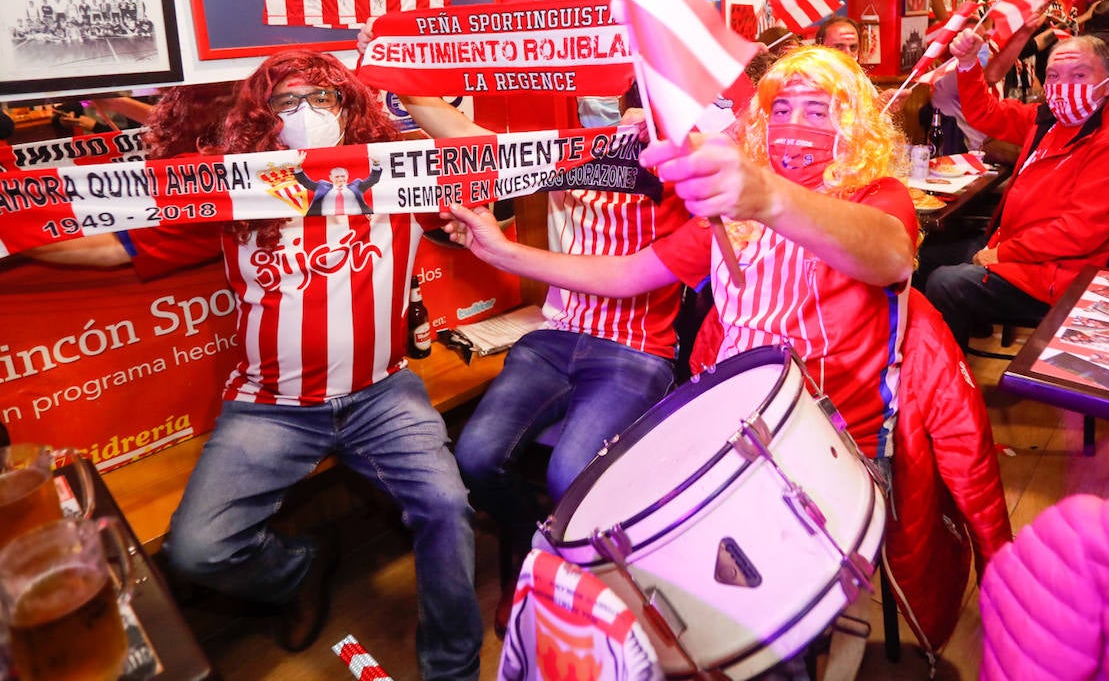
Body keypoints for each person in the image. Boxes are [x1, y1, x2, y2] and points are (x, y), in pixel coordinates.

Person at [26, 51, 488, 681]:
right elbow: (107, 244)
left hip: (382, 394)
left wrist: (415, 87)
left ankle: (453, 669)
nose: (308, 115)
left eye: (323, 99)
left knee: (446, 507)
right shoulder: (239, 192)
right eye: (287, 103)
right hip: (270, 406)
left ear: (351, 105)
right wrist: (13, 218)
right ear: (262, 117)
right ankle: (299, 569)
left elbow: (486, 161)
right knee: (197, 549)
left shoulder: (399, 179)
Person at [444, 46, 919, 464]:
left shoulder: (878, 195)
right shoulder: (732, 214)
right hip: (734, 423)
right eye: (781, 111)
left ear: (853, 122)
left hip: (833, 443)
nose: (795, 125)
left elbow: (890, 255)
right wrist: (502, 252)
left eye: (818, 112)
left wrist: (769, 197)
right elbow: (628, 274)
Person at [453, 99, 690, 635]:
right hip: (556, 339)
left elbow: (633, 275)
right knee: (475, 455)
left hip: (635, 350)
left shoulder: (681, 179)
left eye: (648, 120)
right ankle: (529, 543)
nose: (631, 128)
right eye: (627, 115)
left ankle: (572, 580)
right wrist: (398, 75)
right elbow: (469, 137)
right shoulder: (579, 159)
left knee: (569, 472)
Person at [919, 31, 1109, 349]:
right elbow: (985, 113)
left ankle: (950, 384)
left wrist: (1001, 253)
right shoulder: (1047, 119)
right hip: (1017, 244)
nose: (1064, 85)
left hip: (1058, 273)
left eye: (1079, 74)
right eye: (1054, 75)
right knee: (918, 257)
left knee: (946, 283)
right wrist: (969, 63)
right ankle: (928, 364)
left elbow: (1079, 231)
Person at [296, 162, 382, 215]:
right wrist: (298, 168)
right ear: (331, 178)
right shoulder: (322, 186)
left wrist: (376, 164)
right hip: (326, 223)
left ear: (347, 177)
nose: (340, 179)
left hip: (354, 223)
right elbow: (305, 182)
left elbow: (372, 180)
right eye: (337, 177)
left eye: (343, 176)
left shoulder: (357, 186)